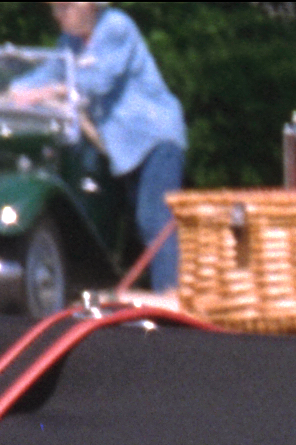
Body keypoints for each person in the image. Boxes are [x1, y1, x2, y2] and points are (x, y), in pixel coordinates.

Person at [22, 2, 189, 293]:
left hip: (155, 138)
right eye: (54, 9)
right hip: (124, 151)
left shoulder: (115, 26)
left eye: (64, 7)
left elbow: (96, 81)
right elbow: (43, 76)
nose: (56, 15)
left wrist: (46, 92)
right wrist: (1, 93)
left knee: (155, 220)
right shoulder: (69, 42)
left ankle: (172, 298)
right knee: (131, 224)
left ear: (88, 5)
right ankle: (154, 295)